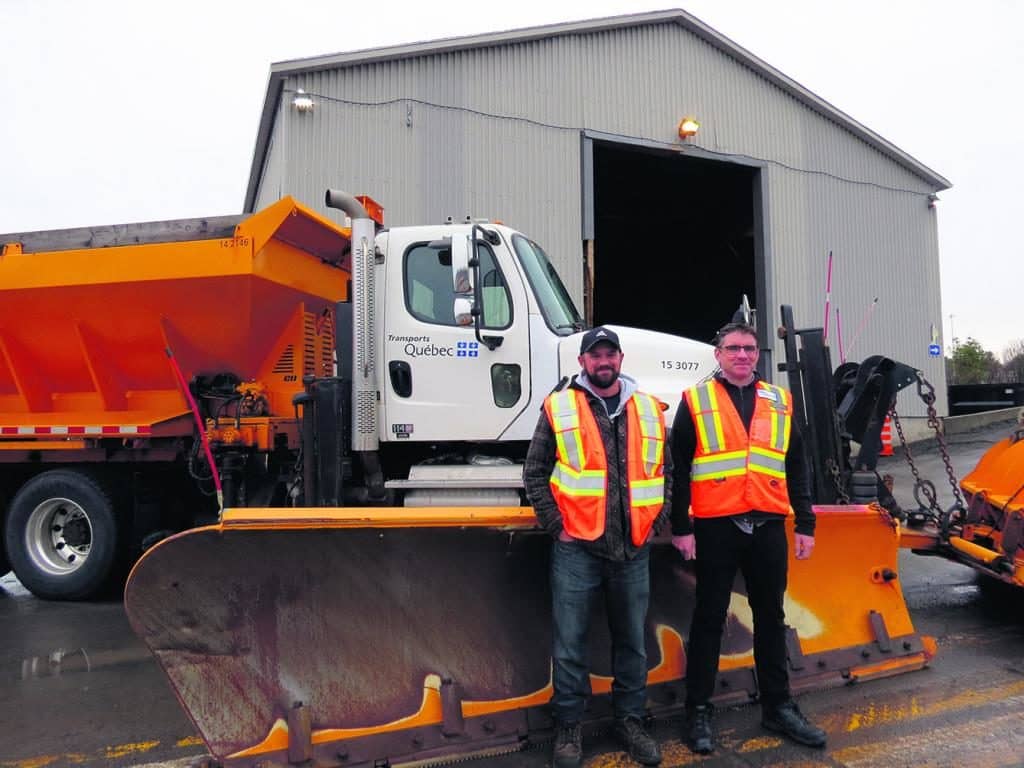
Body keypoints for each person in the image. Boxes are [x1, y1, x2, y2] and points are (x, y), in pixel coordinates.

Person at [669, 321, 827, 754]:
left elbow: (798, 465)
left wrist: (807, 524)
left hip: (768, 527)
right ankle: (698, 711)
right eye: (734, 348)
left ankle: (778, 707)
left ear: (758, 355)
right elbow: (678, 468)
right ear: (717, 354)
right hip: (715, 527)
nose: (742, 355)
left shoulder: (780, 402)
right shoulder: (696, 401)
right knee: (708, 618)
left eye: (750, 349)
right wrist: (680, 527)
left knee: (771, 619)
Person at [524, 326, 670, 768]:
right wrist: (557, 527)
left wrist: (657, 521)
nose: (603, 362)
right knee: (570, 645)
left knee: (632, 644)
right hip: (577, 550)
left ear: (621, 359)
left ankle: (630, 722)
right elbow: (534, 472)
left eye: (610, 354)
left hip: (633, 549)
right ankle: (569, 728)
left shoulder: (648, 409)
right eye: (595, 355)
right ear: (582, 362)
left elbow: (668, 472)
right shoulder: (559, 407)